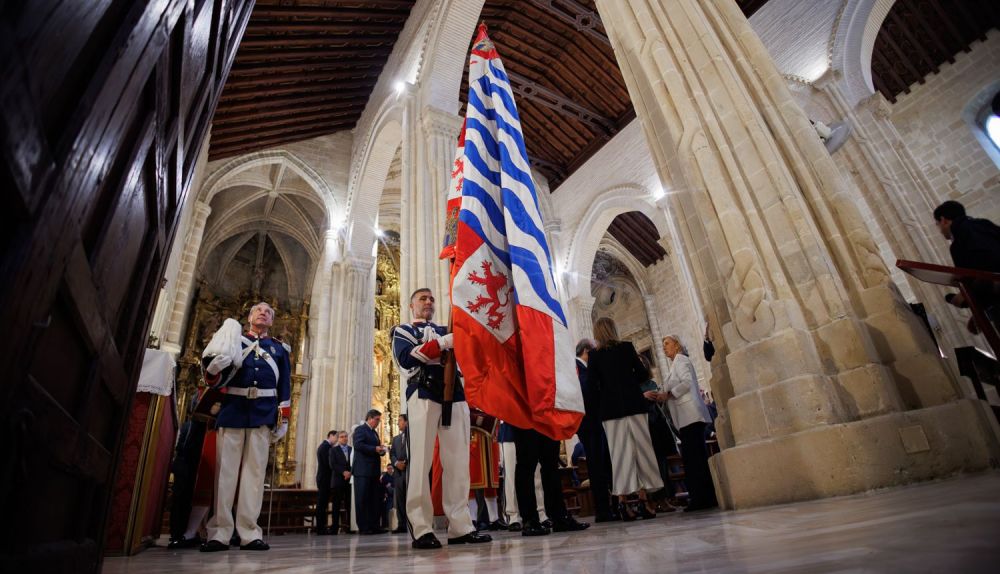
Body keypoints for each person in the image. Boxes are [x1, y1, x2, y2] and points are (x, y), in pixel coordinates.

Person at [391, 288, 491, 549]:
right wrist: (444, 343)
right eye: (422, 298)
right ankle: (421, 528)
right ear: (412, 305)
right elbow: (406, 360)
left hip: (455, 394)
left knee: (458, 462)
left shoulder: (447, 327)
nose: (428, 302)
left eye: (431, 299)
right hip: (423, 391)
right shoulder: (403, 331)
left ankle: (461, 526)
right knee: (421, 462)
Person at [200, 303, 291, 552]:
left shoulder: (280, 350)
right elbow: (215, 377)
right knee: (225, 474)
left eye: (268, 312)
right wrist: (213, 370)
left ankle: (249, 532)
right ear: (249, 317)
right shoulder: (234, 342)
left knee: (254, 475)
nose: (263, 313)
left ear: (272, 321)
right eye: (258, 310)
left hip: (263, 413)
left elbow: (285, 387)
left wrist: (283, 419)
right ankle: (219, 532)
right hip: (233, 410)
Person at [588, 317, 662, 521]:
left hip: (610, 411)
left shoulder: (594, 356)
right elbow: (641, 375)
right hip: (633, 405)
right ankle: (644, 500)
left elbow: (593, 385)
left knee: (619, 455)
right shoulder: (627, 348)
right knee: (641, 451)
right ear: (614, 329)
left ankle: (622, 502)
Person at [645, 335, 718, 512]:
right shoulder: (675, 364)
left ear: (677, 345)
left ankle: (702, 498)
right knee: (693, 459)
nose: (664, 348)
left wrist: (667, 394)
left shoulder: (682, 360)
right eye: (663, 345)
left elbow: (686, 383)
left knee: (695, 460)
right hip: (685, 418)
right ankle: (702, 497)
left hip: (690, 416)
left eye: (667, 344)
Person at [511, 424, 590, 536]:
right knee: (526, 465)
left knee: (551, 465)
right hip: (525, 415)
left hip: (547, 416)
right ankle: (530, 520)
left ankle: (560, 517)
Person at [933, 200, 1000, 332]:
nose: (940, 231)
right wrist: (980, 312)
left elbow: (987, 268)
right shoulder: (983, 224)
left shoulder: (962, 237)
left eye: (938, 225)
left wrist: (965, 296)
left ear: (943, 220)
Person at [573, 339, 617, 522]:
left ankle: (609, 507)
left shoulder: (584, 369)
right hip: (589, 424)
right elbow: (585, 391)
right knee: (597, 467)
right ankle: (603, 511)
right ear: (586, 352)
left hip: (595, 423)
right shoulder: (577, 368)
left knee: (603, 465)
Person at [497, 422, 548, 531]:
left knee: (536, 475)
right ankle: (513, 516)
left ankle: (541, 513)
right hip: (509, 431)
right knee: (510, 476)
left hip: (531, 427)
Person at [353, 409, 388, 534]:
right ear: (369, 418)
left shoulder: (374, 433)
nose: (378, 422)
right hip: (362, 471)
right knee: (362, 499)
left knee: (374, 499)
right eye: (377, 419)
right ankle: (364, 527)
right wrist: (374, 448)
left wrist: (382, 450)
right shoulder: (360, 430)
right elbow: (358, 445)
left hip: (373, 471)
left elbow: (375, 449)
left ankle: (374, 525)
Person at [329, 430, 353, 534]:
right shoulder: (333, 450)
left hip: (349, 481)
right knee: (336, 505)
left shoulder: (352, 449)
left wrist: (350, 473)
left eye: (346, 436)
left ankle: (349, 526)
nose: (344, 438)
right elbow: (333, 464)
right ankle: (334, 527)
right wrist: (343, 472)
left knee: (349, 505)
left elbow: (355, 463)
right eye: (342, 437)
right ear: (338, 439)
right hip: (338, 480)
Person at [389, 414, 409, 534]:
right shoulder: (396, 439)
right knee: (400, 500)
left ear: (406, 422)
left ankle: (412, 524)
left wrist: (405, 462)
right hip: (398, 473)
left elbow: (414, 450)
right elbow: (392, 454)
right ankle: (401, 525)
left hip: (408, 471)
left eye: (400, 421)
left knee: (410, 499)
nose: (398, 423)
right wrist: (396, 463)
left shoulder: (412, 437)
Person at [314, 430, 337, 535]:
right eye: (336, 437)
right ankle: (320, 528)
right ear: (330, 436)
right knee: (322, 504)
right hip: (324, 479)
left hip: (325, 478)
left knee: (323, 504)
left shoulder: (326, 447)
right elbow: (328, 464)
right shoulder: (325, 447)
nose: (336, 440)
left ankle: (321, 527)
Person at [380, 464, 395, 530]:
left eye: (391, 468)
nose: (390, 470)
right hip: (388, 496)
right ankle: (386, 525)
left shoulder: (394, 476)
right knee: (387, 510)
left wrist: (390, 485)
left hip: (394, 494)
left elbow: (395, 484)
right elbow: (382, 486)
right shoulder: (384, 477)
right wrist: (385, 493)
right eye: (388, 468)